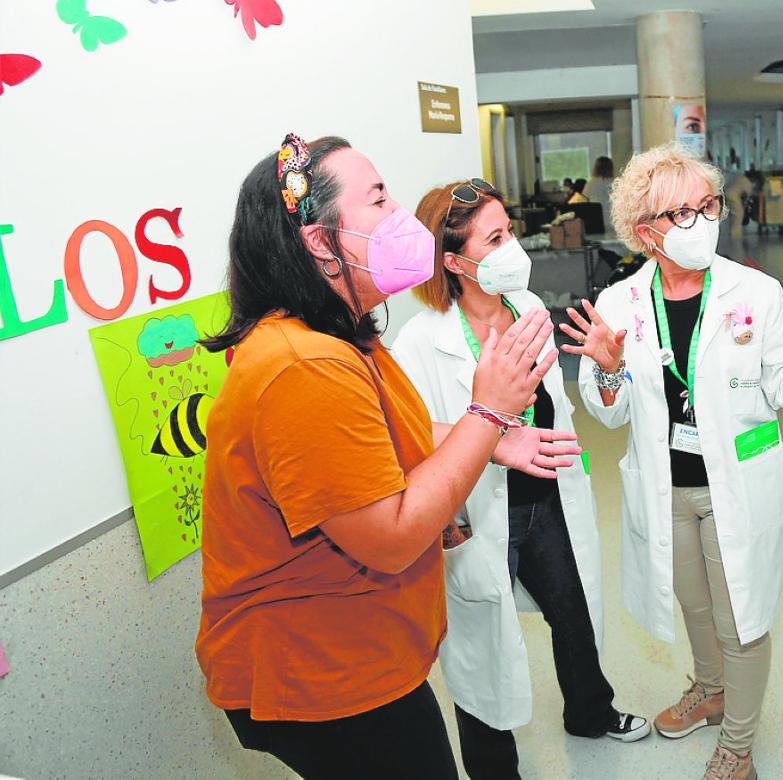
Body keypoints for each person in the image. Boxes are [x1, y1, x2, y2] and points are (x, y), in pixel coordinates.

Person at [196, 134, 580, 779]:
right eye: (378, 200)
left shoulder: (337, 336)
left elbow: (382, 435)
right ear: (321, 243)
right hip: (322, 673)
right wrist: (487, 414)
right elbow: (392, 539)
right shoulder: (303, 366)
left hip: (359, 650)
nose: (401, 215)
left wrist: (490, 437)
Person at [562, 143, 783, 780]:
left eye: (709, 205)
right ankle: (711, 688)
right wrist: (608, 373)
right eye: (682, 213)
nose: (703, 221)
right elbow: (609, 412)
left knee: (741, 615)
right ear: (646, 232)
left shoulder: (757, 290)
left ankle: (739, 745)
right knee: (694, 603)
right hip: (665, 486)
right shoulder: (619, 306)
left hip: (739, 486)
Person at [392, 179, 651, 779]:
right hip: (481, 508)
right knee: (482, 638)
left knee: (573, 607)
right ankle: (492, 766)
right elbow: (405, 431)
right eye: (496, 237)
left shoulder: (528, 307)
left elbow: (551, 403)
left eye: (510, 229)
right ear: (455, 262)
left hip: (545, 493)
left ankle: (590, 710)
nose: (514, 245)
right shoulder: (421, 342)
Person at [585, 156, 615, 231]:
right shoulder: (615, 183)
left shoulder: (591, 183)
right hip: (613, 219)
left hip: (595, 219)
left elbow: (585, 200)